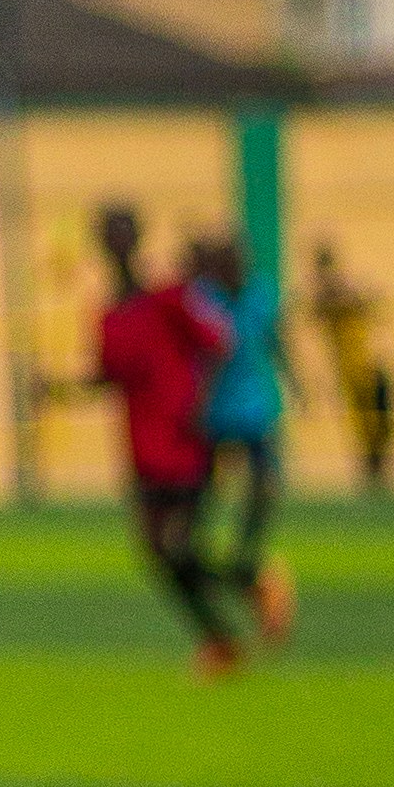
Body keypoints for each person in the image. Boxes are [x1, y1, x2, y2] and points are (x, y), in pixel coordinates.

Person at [72, 205, 248, 670]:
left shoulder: (169, 295)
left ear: (137, 236)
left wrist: (201, 405)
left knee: (180, 548)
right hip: (142, 449)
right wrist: (54, 388)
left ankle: (229, 623)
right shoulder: (109, 313)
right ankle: (231, 616)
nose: (117, 242)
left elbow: (219, 340)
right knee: (158, 554)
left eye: (123, 232)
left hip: (186, 442)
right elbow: (106, 376)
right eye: (108, 234)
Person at [186, 226, 296, 638]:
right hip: (216, 414)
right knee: (207, 494)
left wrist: (297, 384)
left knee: (264, 487)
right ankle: (229, 559)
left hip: (254, 409)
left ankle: (248, 554)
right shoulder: (203, 300)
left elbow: (277, 343)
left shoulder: (261, 295)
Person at [305, 239, 394, 494]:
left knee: (376, 422)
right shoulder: (327, 295)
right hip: (350, 369)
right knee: (363, 423)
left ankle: (377, 474)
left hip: (363, 365)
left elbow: (370, 300)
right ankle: (371, 475)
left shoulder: (343, 289)